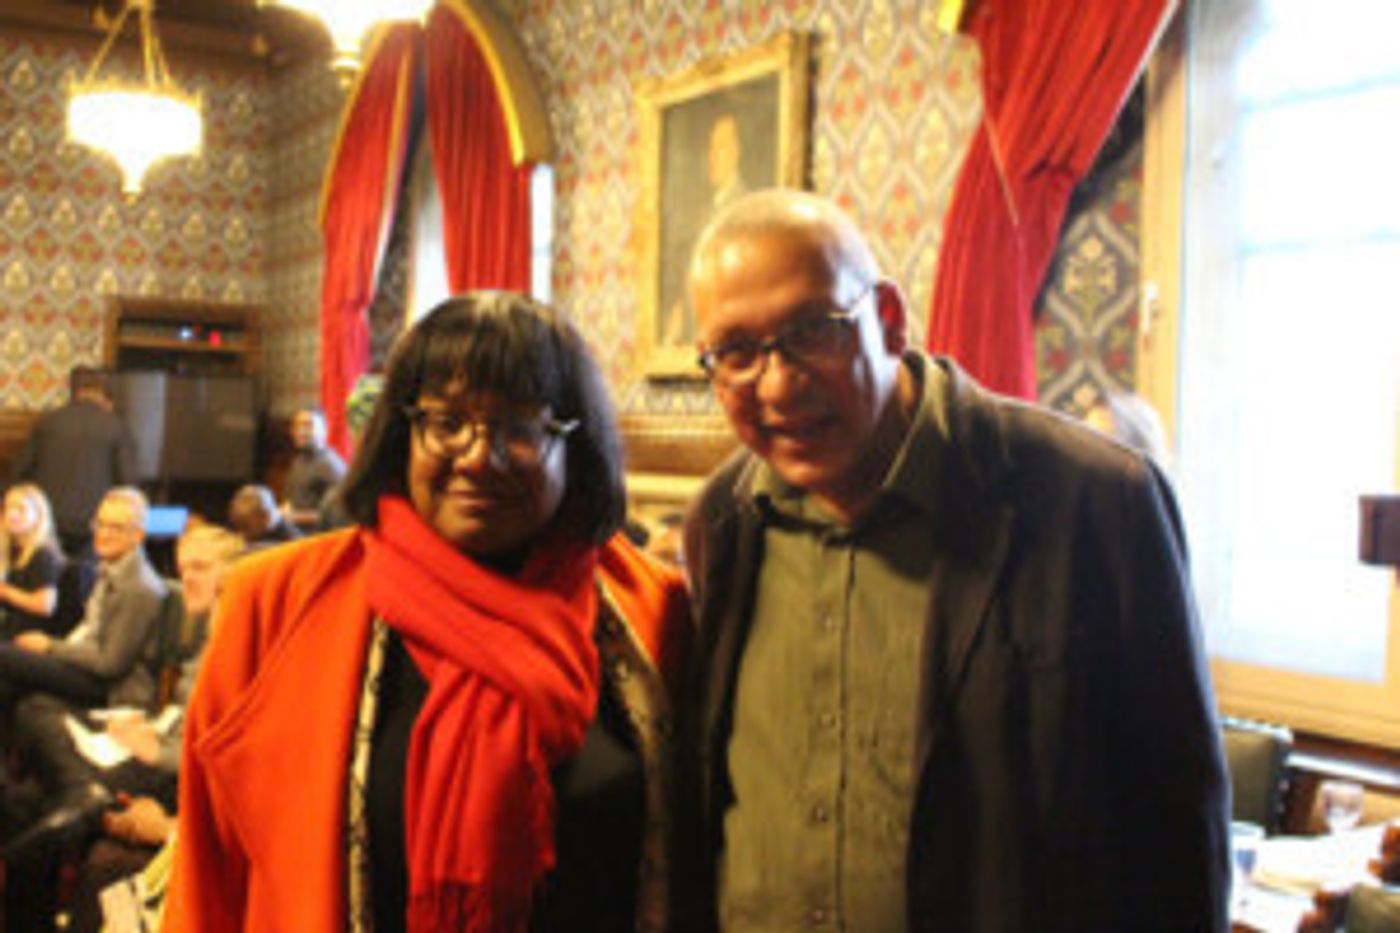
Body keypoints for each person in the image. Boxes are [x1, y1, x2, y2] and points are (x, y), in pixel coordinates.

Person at [677, 189, 1230, 931]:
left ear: (889, 319)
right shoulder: (723, 521)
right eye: (737, 352)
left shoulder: (1095, 500)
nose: (777, 384)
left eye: (813, 331)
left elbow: (1178, 833)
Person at [165, 293, 690, 931]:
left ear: (575, 447)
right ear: (402, 431)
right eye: (446, 422)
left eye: (520, 427)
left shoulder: (653, 611)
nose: (476, 454)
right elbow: (207, 871)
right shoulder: (275, 604)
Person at [4, 524, 243, 932]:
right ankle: (80, 795)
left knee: (38, 791)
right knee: (29, 762)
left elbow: (217, 745)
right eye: (184, 567)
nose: (187, 577)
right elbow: (181, 715)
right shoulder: (204, 630)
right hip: (150, 740)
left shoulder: (229, 639)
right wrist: (150, 726)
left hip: (168, 770)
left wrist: (158, 749)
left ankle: (75, 800)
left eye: (201, 568)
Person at [0, 487, 167, 714]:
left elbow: (110, 665)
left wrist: (50, 646)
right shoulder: (110, 568)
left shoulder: (138, 587)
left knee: (5, 656)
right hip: (82, 663)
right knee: (11, 685)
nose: (104, 534)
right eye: (100, 524)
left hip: (109, 688)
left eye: (115, 528)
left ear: (137, 535)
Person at [13, 367, 137, 558]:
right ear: (105, 395)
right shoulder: (116, 427)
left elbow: (21, 473)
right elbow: (128, 485)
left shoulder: (46, 422)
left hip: (49, 523)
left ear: (74, 393)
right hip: (94, 528)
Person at [0, 484, 64, 640]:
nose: (12, 514)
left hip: (23, 636)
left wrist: (4, 591)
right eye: (8, 508)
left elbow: (45, 605)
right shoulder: (9, 549)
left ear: (38, 516)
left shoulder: (42, 554)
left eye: (20, 509)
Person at [280, 407, 347, 531]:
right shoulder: (300, 458)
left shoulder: (330, 465)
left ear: (324, 430)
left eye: (308, 425)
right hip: (294, 534)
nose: (300, 431)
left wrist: (295, 516)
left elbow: (339, 516)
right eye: (296, 426)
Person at [227, 483, 301, 548]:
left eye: (246, 527)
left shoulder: (292, 543)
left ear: (265, 517)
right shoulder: (258, 531)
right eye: (238, 526)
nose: (241, 535)